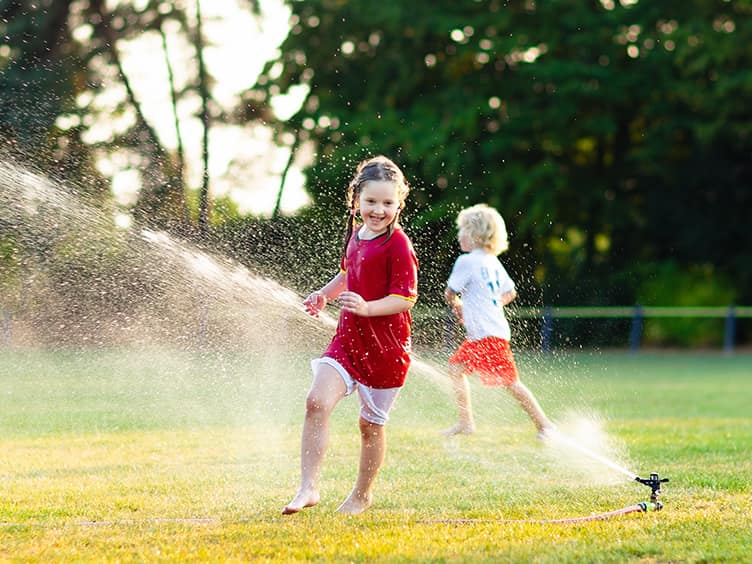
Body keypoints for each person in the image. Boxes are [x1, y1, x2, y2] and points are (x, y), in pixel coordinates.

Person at [282, 155, 418, 516]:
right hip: (347, 340)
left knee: (370, 426)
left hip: (387, 349)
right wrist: (324, 294)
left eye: (388, 203)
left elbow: (405, 297)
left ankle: (361, 494)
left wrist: (369, 308)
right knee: (316, 402)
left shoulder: (398, 244)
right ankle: (308, 487)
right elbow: (347, 274)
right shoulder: (356, 235)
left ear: (398, 203)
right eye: (371, 201)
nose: (378, 210)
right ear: (356, 199)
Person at [442, 203, 555, 438]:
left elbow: (449, 293)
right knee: (455, 368)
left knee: (511, 383)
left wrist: (459, 305)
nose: (459, 235)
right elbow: (510, 292)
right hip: (488, 333)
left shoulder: (467, 261)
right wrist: (489, 306)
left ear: (474, 234)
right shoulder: (492, 261)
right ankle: (466, 422)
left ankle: (545, 425)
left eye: (462, 230)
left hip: (486, 335)